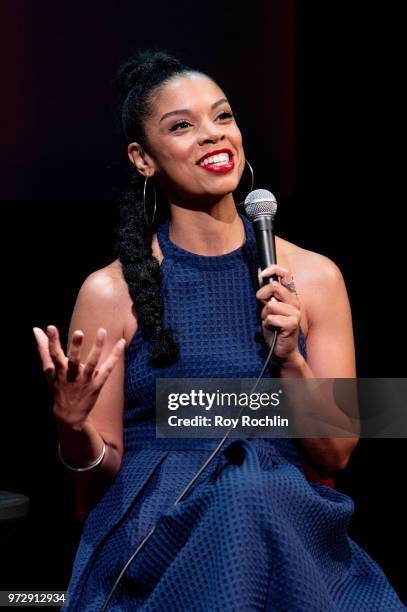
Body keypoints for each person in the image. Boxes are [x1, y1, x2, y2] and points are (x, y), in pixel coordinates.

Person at [33, 50, 405, 611]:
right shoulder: (110, 292)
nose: (212, 136)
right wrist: (71, 426)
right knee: (241, 496)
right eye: (182, 126)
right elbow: (100, 467)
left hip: (283, 523)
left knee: (250, 490)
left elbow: (337, 455)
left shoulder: (315, 276)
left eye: (223, 116)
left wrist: (291, 362)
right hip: (160, 529)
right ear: (143, 159)